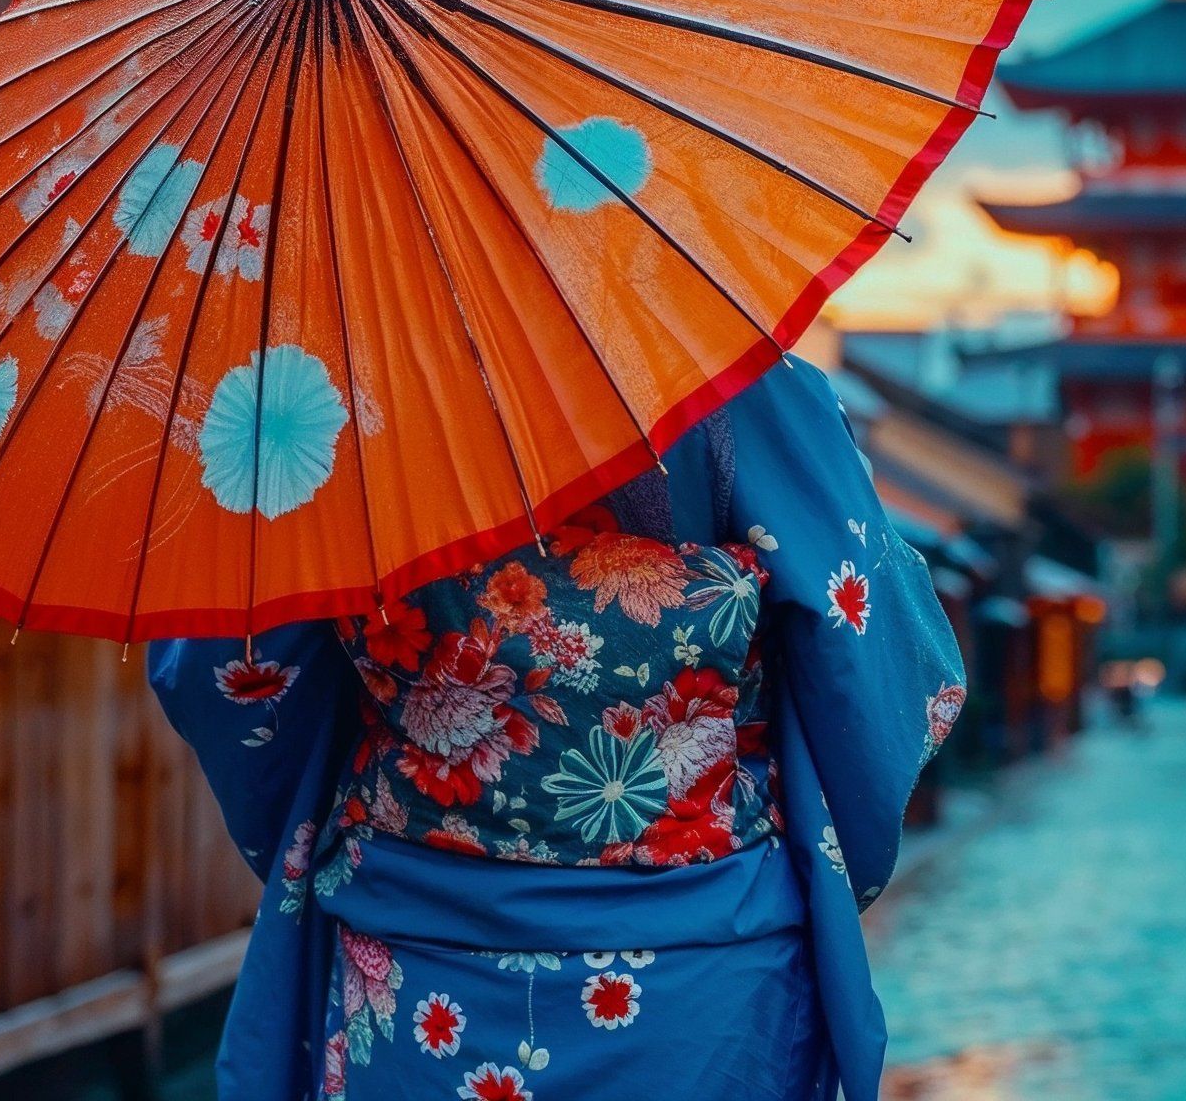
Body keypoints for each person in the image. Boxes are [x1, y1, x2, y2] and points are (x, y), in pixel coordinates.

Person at [151, 360, 964, 1101]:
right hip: (703, 981)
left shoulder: (335, 394)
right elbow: (879, 673)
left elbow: (229, 671)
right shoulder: (743, 382)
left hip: (419, 969)